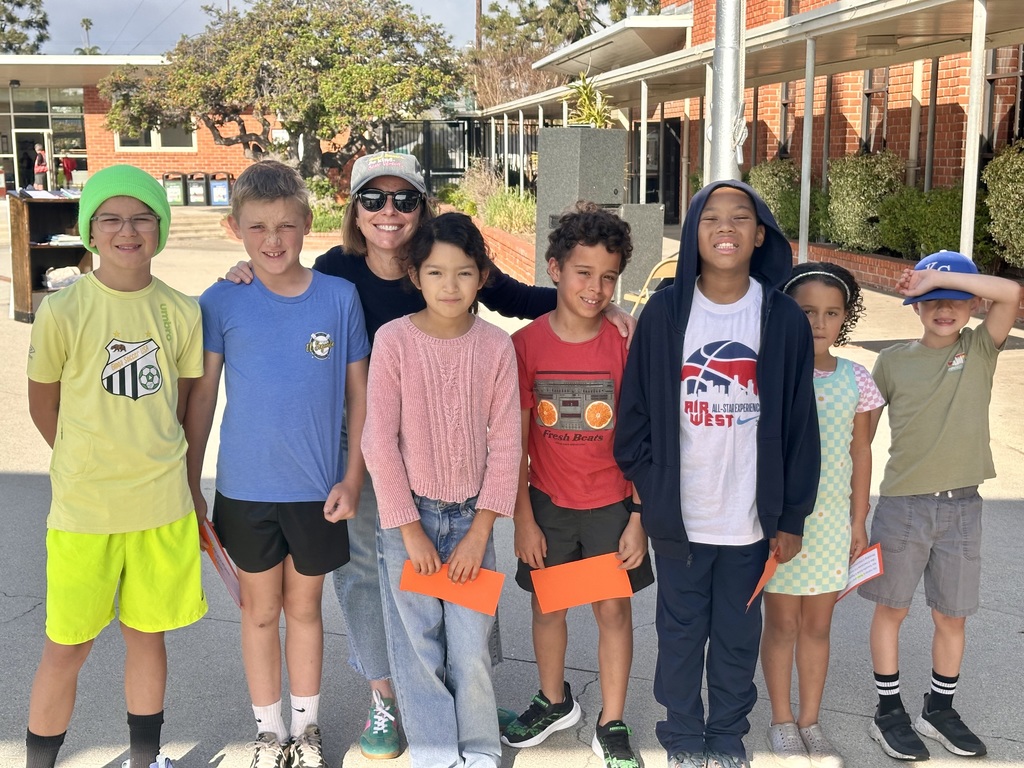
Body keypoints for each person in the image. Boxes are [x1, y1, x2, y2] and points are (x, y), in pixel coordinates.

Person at [224, 150, 635, 759]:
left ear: (423, 208)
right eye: (373, 198)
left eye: (404, 199)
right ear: (355, 210)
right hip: (375, 460)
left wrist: (593, 302)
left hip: (468, 485)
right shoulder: (339, 271)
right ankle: (394, 703)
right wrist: (247, 272)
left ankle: (463, 707)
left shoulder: (473, 302)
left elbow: (529, 304)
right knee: (372, 586)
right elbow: (286, 280)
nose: (388, 211)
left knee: (466, 625)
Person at [614, 180, 820, 768]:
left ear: (760, 236)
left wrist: (791, 516)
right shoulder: (665, 312)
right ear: (694, 233)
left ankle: (727, 737)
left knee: (736, 639)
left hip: (752, 525)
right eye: (710, 218)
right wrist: (654, 493)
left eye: (740, 218)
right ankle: (682, 737)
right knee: (680, 639)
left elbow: (800, 426)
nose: (725, 228)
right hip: (682, 518)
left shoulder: (781, 318)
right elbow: (634, 421)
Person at [185, 161, 370, 768]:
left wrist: (352, 475)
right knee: (260, 612)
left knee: (306, 610)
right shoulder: (221, 300)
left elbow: (359, 395)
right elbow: (205, 396)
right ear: (235, 226)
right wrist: (190, 478)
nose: (272, 240)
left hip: (318, 491)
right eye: (258, 226)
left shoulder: (339, 299)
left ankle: (307, 730)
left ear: (307, 224)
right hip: (246, 490)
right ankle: (269, 735)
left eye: (286, 226)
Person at [24, 165, 206, 768]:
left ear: (160, 227)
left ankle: (144, 757)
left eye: (141, 217)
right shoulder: (63, 310)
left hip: (160, 508)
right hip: (85, 512)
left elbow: (176, 408)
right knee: (65, 646)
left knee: (146, 637)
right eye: (111, 219)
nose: (127, 230)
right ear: (90, 232)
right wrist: (86, 460)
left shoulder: (180, 311)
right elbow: (43, 402)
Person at [361, 211, 520, 768]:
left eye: (463, 273)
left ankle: (477, 751)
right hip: (411, 523)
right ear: (415, 274)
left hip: (473, 522)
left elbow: (506, 444)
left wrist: (481, 532)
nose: (449, 286)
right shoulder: (395, 341)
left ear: (481, 276)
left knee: (471, 648)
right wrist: (409, 531)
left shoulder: (496, 348)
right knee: (417, 648)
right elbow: (378, 441)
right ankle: (434, 752)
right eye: (435, 273)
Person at [503, 204, 654, 768]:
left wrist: (639, 516)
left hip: (612, 506)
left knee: (613, 613)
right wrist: (522, 516)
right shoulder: (525, 347)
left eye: (608, 277)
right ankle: (554, 698)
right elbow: (512, 445)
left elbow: (644, 437)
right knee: (549, 608)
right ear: (554, 269)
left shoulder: (625, 343)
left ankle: (611, 721)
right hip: (548, 506)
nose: (595, 288)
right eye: (583, 272)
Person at [860, 251, 1021, 762]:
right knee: (893, 609)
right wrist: (852, 509)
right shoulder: (892, 361)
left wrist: (937, 276)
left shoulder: (980, 349)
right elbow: (862, 438)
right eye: (930, 300)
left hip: (962, 509)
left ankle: (939, 707)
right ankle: (888, 710)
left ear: (974, 304)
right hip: (903, 507)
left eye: (956, 300)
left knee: (953, 615)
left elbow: (1012, 295)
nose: (943, 308)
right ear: (913, 306)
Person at [760, 263, 884, 768]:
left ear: (845, 318)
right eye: (807, 311)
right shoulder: (771, 372)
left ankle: (811, 720)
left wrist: (859, 521)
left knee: (817, 626)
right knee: (783, 624)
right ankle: (782, 720)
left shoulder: (857, 378)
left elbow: (861, 453)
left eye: (832, 313)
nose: (819, 322)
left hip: (833, 522)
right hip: (785, 524)